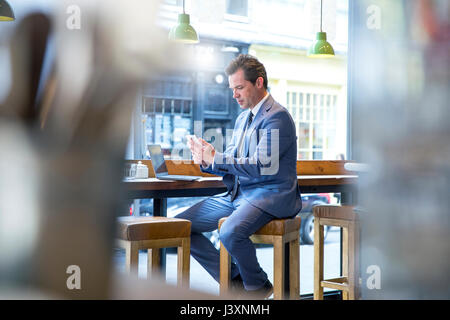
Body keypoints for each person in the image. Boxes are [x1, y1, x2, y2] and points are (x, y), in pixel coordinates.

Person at [176, 54, 302, 299]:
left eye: (239, 88)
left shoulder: (278, 117)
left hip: (269, 195)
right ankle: (236, 280)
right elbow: (234, 159)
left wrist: (216, 157)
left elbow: (259, 165)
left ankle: (257, 287)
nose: (234, 95)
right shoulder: (244, 117)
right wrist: (206, 159)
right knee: (182, 227)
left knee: (230, 232)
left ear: (259, 83)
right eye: (232, 88)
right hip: (239, 195)